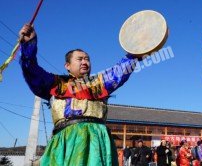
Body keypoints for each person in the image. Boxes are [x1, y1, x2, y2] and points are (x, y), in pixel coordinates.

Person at [19, 24, 138, 165]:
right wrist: (28, 44)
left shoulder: (100, 83)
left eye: (87, 59)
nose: (85, 62)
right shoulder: (55, 83)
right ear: (67, 66)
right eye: (80, 59)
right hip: (66, 143)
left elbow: (120, 71)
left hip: (97, 142)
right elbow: (31, 69)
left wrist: (135, 53)